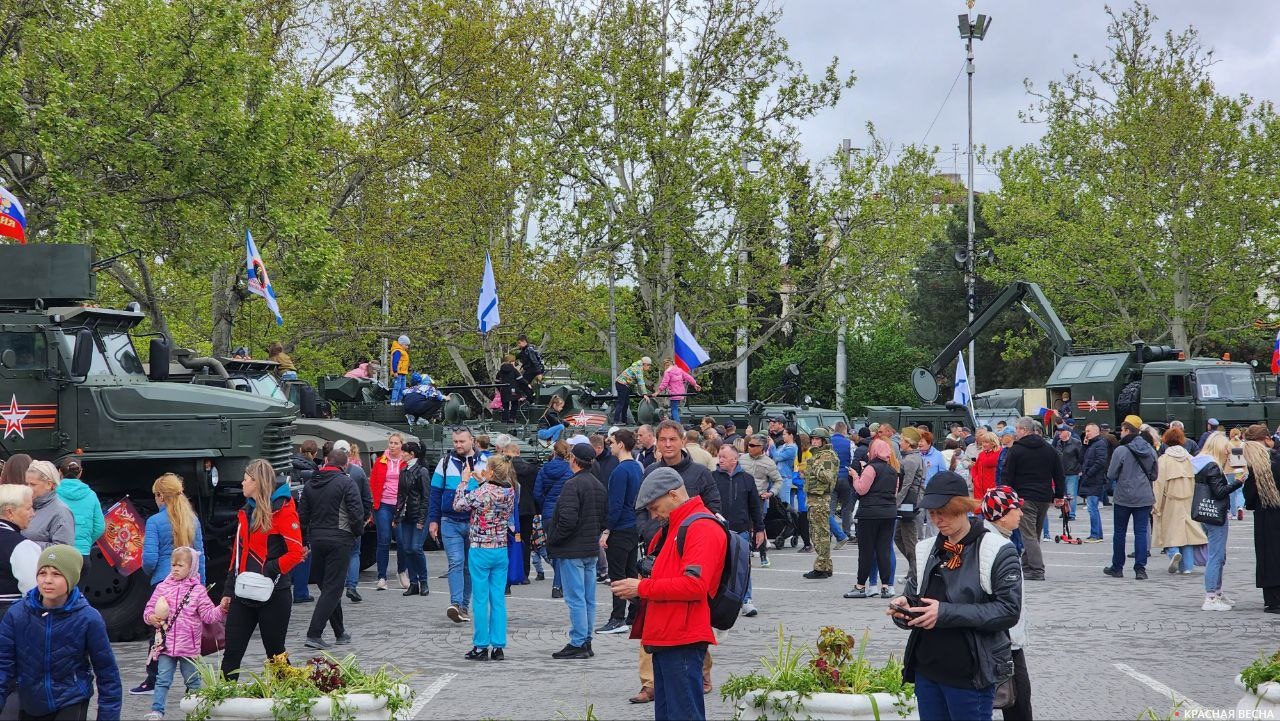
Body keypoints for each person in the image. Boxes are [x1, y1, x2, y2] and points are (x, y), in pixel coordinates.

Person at [889, 472, 1021, 721]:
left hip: (969, 673)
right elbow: (917, 601)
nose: (937, 520)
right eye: (932, 513)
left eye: (944, 512)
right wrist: (904, 609)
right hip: (927, 668)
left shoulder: (996, 549)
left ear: (962, 508)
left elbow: (1008, 611)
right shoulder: (927, 548)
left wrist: (944, 612)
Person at [611, 468, 726, 721]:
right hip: (667, 635)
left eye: (654, 507)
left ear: (673, 495)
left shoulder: (701, 527)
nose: (653, 515)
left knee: (683, 714)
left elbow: (695, 586)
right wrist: (638, 591)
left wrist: (641, 588)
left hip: (682, 637)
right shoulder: (676, 526)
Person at [0, 545, 121, 720]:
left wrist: (108, 716)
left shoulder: (88, 618)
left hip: (70, 698)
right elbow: (3, 664)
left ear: (71, 578)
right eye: (43, 573)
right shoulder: (17, 614)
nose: (47, 580)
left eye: (56, 574)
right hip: (28, 699)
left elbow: (107, 672)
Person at [219, 459, 306, 680]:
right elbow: (237, 555)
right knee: (231, 653)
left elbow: (296, 553)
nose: (242, 483)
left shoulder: (284, 510)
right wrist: (228, 591)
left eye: (246, 479)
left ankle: (290, 702)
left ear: (256, 482)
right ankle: (223, 704)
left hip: (274, 593)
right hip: (243, 591)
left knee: (275, 653)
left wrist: (269, 570)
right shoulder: (246, 511)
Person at [135, 472, 207, 695]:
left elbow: (149, 559)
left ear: (160, 496)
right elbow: (200, 555)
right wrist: (200, 585)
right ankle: (193, 684)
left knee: (159, 631)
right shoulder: (192, 519)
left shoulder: (155, 521)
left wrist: (151, 573)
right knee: (188, 631)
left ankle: (152, 680)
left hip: (163, 584)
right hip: (190, 585)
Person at [142, 547, 224, 720]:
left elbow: (209, 616)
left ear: (191, 567)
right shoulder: (162, 587)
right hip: (166, 645)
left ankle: (200, 710)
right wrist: (151, 617)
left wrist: (222, 609)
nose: (175, 569)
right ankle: (157, 710)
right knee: (162, 679)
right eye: (173, 565)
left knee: (193, 681)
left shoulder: (198, 590)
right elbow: (149, 608)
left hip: (188, 647)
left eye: (180, 565)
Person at [299, 444, 365, 649]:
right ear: (345, 465)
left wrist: (305, 539)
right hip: (340, 538)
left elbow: (302, 516)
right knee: (333, 589)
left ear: (326, 462)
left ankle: (340, 632)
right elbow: (356, 512)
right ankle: (314, 633)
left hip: (317, 539)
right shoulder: (346, 482)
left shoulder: (310, 483)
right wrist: (356, 533)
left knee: (328, 586)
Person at [453, 454, 516, 660]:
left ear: (490, 471)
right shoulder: (510, 491)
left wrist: (464, 481)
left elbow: (459, 505)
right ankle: (498, 646)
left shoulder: (482, 492)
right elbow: (493, 494)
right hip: (500, 548)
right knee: (498, 599)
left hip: (480, 548)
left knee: (480, 600)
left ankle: (481, 645)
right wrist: (482, 481)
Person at [548, 444, 607, 659]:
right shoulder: (598, 485)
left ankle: (579, 640)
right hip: (590, 548)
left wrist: (554, 538)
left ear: (573, 459)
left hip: (572, 549)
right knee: (588, 598)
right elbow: (603, 517)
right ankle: (586, 639)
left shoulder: (573, 485)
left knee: (575, 599)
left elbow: (567, 519)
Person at [980, 486, 1033, 721]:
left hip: (1000, 634)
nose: (1020, 513)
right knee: (1018, 702)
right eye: (1015, 508)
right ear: (1001, 514)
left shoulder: (993, 538)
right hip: (1005, 639)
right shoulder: (996, 544)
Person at [429, 428, 488, 622]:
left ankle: (464, 606)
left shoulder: (485, 462)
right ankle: (455, 603)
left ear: (472, 440)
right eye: (455, 441)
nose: (458, 445)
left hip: (474, 521)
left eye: (462, 441)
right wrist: (433, 520)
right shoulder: (445, 462)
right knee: (455, 562)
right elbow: (435, 493)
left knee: (469, 566)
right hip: (449, 521)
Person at [1001, 417, 1065, 581]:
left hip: (1024, 498)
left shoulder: (1015, 450)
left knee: (1029, 535)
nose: (1016, 432)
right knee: (1034, 534)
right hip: (1044, 497)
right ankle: (1026, 567)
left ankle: (1037, 570)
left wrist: (1006, 496)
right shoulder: (1049, 449)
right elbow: (1059, 474)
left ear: (1024, 430)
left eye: (1017, 429)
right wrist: (1059, 495)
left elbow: (1007, 475)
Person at [600, 429, 644, 633]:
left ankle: (617, 618)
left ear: (620, 444)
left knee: (617, 576)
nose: (610, 445)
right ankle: (634, 616)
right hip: (633, 525)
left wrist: (607, 529)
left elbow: (615, 504)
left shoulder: (620, 471)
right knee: (630, 573)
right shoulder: (636, 467)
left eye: (612, 442)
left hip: (620, 527)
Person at [1103, 417, 1158, 581]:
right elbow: (1154, 475)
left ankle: (1117, 567)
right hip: (1144, 496)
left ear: (1127, 430)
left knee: (1119, 532)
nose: (1120, 433)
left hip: (1123, 496)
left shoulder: (1121, 450)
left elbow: (1111, 474)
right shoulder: (1150, 449)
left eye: (1122, 429)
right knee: (1141, 532)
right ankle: (1140, 569)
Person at [711, 444, 763, 617]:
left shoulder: (747, 479)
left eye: (724, 457)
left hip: (741, 530)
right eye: (719, 456)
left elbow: (755, 506)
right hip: (718, 530)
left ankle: (746, 600)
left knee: (743, 567)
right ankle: (716, 601)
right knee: (717, 567)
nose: (720, 460)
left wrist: (760, 529)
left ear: (735, 459)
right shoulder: (713, 478)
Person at [845, 438, 900, 599]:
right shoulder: (893, 470)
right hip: (889, 513)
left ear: (874, 451)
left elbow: (861, 489)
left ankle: (860, 585)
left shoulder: (871, 468)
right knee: (884, 549)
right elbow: (894, 493)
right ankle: (886, 586)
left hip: (869, 514)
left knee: (866, 551)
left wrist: (855, 475)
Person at [1194, 433, 1243, 611]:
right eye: (1226, 450)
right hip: (1216, 515)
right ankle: (1211, 596)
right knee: (1216, 556)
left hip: (1204, 512)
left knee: (1217, 555)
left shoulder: (1200, 463)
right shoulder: (1212, 466)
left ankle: (1218, 592)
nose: (1228, 453)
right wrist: (1238, 482)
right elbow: (1220, 492)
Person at [1152, 427, 1206, 576]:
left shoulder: (1163, 460)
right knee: (1187, 535)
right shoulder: (1190, 458)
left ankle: (1173, 553)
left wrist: (1156, 505)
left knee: (1170, 532)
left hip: (1171, 500)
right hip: (1189, 499)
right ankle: (1187, 567)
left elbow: (1158, 484)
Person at [1241, 424, 1280, 612]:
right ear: (1266, 439)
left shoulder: (1256, 465)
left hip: (1265, 516)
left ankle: (1272, 599)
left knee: (1267, 556)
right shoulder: (1276, 459)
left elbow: (1249, 497)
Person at [534, 441, 573, 597]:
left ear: (554, 452)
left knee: (555, 549)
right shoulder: (570, 470)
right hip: (564, 511)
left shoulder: (544, 469)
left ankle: (558, 585)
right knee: (564, 549)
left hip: (549, 513)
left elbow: (537, 494)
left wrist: (546, 505)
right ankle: (558, 585)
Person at [369, 433, 408, 591]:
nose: (392, 445)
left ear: (401, 445)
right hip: (383, 504)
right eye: (390, 443)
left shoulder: (405, 462)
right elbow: (372, 482)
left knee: (402, 541)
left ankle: (402, 572)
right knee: (383, 540)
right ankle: (382, 577)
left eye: (396, 443)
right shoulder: (380, 461)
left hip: (400, 506)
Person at [55, 460, 104, 577]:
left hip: (58, 554)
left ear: (59, 472)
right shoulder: (91, 495)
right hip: (82, 555)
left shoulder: (53, 494)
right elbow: (100, 527)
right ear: (80, 472)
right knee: (78, 594)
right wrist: (86, 543)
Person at [338, 440, 373, 604]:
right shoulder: (358, 472)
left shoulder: (324, 472)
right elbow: (367, 498)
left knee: (336, 555)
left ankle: (335, 586)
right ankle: (351, 586)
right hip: (353, 520)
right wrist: (364, 517)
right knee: (354, 553)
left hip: (333, 522)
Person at [396, 442, 431, 596]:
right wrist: (396, 515)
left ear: (412, 454)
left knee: (416, 548)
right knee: (407, 549)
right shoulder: (404, 470)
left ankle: (423, 581)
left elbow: (425, 497)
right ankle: (414, 582)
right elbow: (400, 495)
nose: (402, 455)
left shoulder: (422, 471)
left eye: (404, 452)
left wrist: (422, 519)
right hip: (406, 515)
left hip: (417, 514)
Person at [803, 428, 838, 580]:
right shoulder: (817, 455)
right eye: (813, 439)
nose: (814, 442)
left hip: (820, 499)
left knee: (820, 534)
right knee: (816, 533)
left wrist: (814, 466)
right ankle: (826, 566)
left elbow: (827, 477)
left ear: (824, 441)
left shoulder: (827, 456)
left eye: (818, 439)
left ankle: (821, 567)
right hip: (814, 498)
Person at [0, 485, 38, 616]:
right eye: (28, 508)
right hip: (8, 620)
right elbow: (34, 592)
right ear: (10, 512)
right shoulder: (21, 546)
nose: (33, 513)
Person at [22, 461, 75, 550]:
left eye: (33, 484)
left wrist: (24, 545)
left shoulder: (61, 512)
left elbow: (63, 550)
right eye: (27, 483)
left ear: (49, 484)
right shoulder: (26, 505)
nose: (28, 488)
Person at [1080, 423, 1110, 543]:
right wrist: (1084, 445)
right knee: (1092, 508)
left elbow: (1101, 461)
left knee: (1092, 508)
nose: (1086, 434)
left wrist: (1089, 473)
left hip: (1095, 480)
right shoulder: (1091, 444)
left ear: (1096, 431)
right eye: (1086, 431)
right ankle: (1098, 534)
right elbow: (1081, 459)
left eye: (1089, 431)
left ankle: (1095, 534)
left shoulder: (1100, 443)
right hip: (1090, 479)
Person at [1052, 424, 1084, 521]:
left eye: (1061, 431)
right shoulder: (1058, 443)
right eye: (1059, 431)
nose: (1059, 433)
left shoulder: (1076, 443)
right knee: (1063, 494)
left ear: (1067, 432)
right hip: (1061, 473)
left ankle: (1072, 514)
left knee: (1071, 494)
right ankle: (1065, 512)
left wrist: (1080, 470)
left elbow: (1081, 458)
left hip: (1072, 472)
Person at [830, 422, 855, 540]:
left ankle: (829, 532)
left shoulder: (828, 443)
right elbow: (853, 460)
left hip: (831, 477)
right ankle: (846, 532)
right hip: (846, 478)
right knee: (847, 507)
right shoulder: (850, 443)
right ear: (844, 431)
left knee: (831, 508)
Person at [654, 358, 700, 423]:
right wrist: (695, 384)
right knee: (674, 408)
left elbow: (664, 383)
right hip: (680, 393)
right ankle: (673, 423)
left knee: (674, 409)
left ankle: (677, 424)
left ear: (666, 365)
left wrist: (657, 392)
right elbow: (688, 377)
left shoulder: (668, 372)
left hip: (674, 393)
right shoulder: (679, 370)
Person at [613, 356, 653, 425]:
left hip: (626, 385)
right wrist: (645, 395)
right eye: (649, 365)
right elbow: (641, 382)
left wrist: (636, 392)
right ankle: (616, 421)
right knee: (621, 403)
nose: (649, 367)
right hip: (621, 384)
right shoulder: (638, 369)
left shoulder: (638, 367)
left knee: (626, 403)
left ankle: (624, 421)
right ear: (645, 364)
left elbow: (634, 381)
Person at [515, 334, 546, 401]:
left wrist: (539, 373)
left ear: (524, 341)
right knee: (523, 383)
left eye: (519, 343)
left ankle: (531, 397)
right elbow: (518, 356)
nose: (519, 345)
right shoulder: (524, 349)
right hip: (530, 369)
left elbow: (535, 361)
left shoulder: (529, 350)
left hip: (534, 369)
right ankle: (530, 395)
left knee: (523, 382)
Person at [971, 432, 1000, 500]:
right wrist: (975, 479)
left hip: (992, 486)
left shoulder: (998, 452)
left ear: (993, 442)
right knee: (980, 507)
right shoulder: (982, 454)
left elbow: (988, 462)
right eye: (983, 442)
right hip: (980, 486)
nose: (983, 444)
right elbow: (975, 468)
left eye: (986, 442)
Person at [497, 355, 520, 422]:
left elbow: (497, 381)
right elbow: (520, 379)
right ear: (511, 362)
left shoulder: (500, 371)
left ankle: (505, 418)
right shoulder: (514, 370)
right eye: (513, 361)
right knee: (515, 403)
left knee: (505, 405)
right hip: (513, 390)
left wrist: (500, 388)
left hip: (504, 390)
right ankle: (512, 418)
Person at [389, 335, 411, 403]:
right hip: (398, 373)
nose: (407, 347)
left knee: (403, 388)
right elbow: (395, 362)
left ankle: (399, 401)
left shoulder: (403, 351)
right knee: (397, 387)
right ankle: (394, 401)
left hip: (403, 373)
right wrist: (395, 371)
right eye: (406, 345)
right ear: (402, 344)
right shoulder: (398, 351)